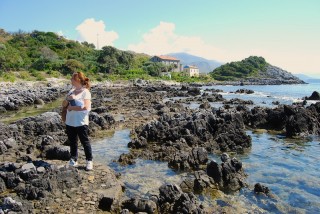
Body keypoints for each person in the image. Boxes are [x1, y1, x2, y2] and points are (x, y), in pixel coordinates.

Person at [62, 72, 93, 170]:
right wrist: (68, 99)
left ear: (78, 80)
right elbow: (64, 105)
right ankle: (74, 159)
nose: (71, 80)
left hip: (81, 122)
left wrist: (72, 107)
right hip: (70, 121)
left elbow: (86, 107)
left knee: (85, 142)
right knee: (72, 142)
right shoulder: (71, 91)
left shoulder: (85, 92)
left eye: (72, 78)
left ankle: (89, 161)